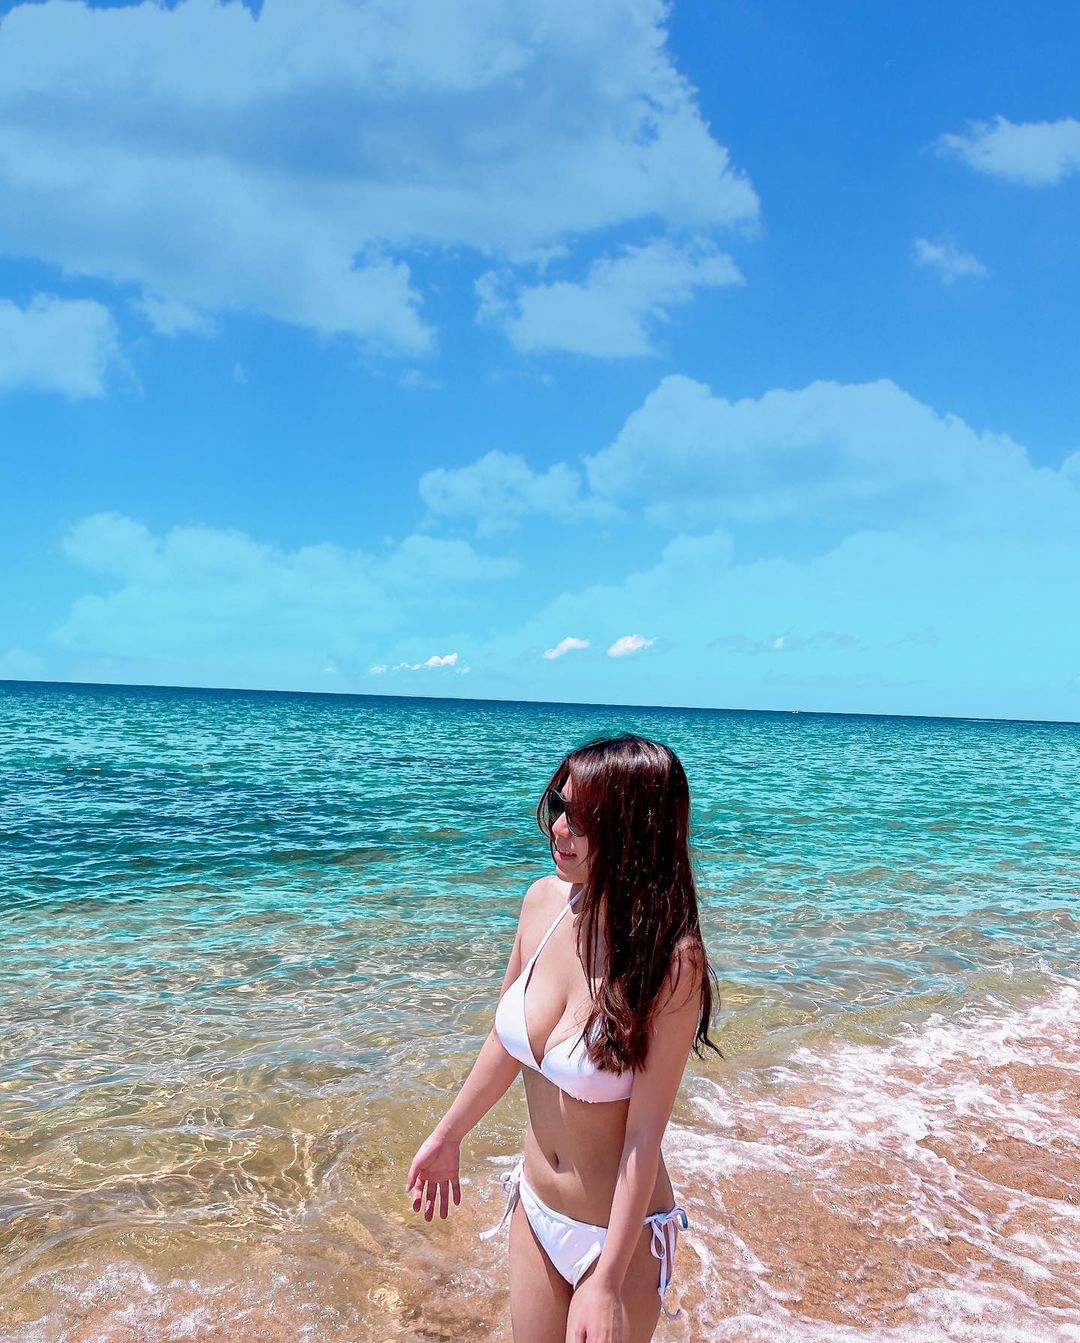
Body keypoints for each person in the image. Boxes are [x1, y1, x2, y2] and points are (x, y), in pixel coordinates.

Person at [406, 734, 718, 1343]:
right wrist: (448, 1135)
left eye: (582, 818)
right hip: (535, 1209)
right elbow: (507, 1042)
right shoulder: (541, 902)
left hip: (617, 1237)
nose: (559, 828)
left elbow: (643, 1136)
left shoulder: (670, 961)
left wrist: (606, 1282)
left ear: (633, 831)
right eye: (559, 806)